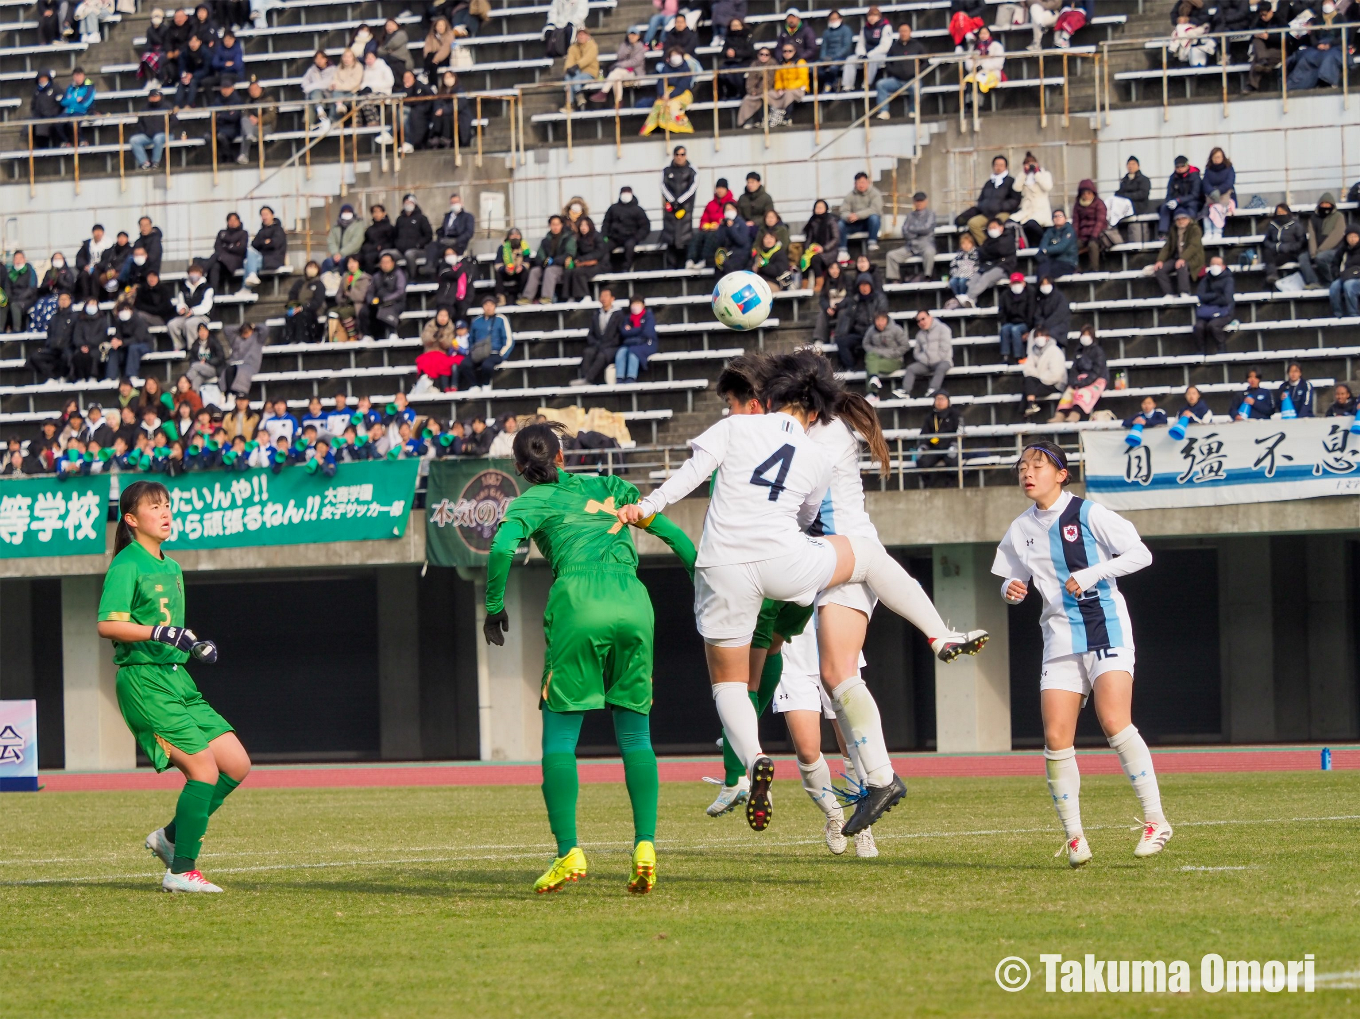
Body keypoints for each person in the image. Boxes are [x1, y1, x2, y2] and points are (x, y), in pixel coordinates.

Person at [616, 349, 987, 836]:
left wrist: (647, 507)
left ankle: (758, 765)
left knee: (736, 685)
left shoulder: (758, 430)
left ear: (769, 397)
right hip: (802, 559)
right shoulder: (813, 446)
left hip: (735, 565)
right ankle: (931, 652)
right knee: (839, 664)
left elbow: (694, 476)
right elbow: (803, 509)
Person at [482, 421, 695, 895]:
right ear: (562, 456)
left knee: (559, 740)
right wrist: (703, 580)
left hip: (579, 603)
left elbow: (499, 549)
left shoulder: (529, 501)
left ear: (519, 468)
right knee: (636, 734)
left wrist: (494, 607)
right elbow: (673, 536)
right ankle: (645, 848)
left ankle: (569, 852)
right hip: (634, 602)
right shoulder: (610, 485)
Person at [993, 441, 1169, 869]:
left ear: (1061, 474)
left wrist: (1091, 572)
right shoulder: (1020, 528)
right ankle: (1074, 836)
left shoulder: (1089, 513)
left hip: (1104, 625)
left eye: (1037, 466)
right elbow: (1011, 579)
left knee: (1113, 720)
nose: (1027, 473)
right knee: (1056, 738)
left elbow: (1140, 554)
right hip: (1057, 636)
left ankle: (1156, 820)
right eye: (1022, 467)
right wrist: (1010, 591)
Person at [97, 480, 248, 893]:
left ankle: (168, 838)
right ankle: (181, 870)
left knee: (236, 764)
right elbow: (107, 625)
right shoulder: (127, 563)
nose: (165, 512)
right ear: (131, 520)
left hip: (177, 678)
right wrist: (159, 634)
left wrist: (193, 646)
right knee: (203, 770)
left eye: (167, 505)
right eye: (154, 507)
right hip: (144, 682)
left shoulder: (172, 566)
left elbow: (169, 630)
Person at [956, 155, 1020, 246]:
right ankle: (987, 245)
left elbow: (1015, 200)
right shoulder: (989, 183)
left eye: (1001, 165)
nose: (998, 167)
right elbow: (981, 199)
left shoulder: (1011, 181)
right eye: (996, 165)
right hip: (987, 214)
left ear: (1005, 167)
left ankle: (1001, 245)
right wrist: (984, 207)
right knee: (973, 223)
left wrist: (1001, 206)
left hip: (1003, 213)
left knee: (997, 224)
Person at [459, 296, 513, 390]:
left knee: (487, 365)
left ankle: (486, 384)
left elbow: (508, 339)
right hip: (479, 352)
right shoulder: (476, 321)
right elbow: (471, 338)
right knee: (465, 364)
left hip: (495, 352)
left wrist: (502, 354)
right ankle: (474, 385)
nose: (488, 307)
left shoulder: (501, 319)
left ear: (495, 306)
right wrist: (472, 351)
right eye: (486, 305)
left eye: (491, 305)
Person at [874, 23, 924, 119]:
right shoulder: (894, 47)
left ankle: (913, 111)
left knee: (916, 87)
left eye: (905, 31)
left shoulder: (917, 46)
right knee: (881, 84)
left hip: (912, 80)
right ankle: (884, 111)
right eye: (901, 31)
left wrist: (917, 72)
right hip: (896, 80)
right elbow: (888, 62)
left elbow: (925, 62)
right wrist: (894, 71)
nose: (903, 33)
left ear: (910, 32)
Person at [834, 272, 885, 369]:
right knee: (841, 341)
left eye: (866, 285)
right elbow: (848, 317)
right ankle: (851, 366)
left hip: (875, 332)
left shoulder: (879, 298)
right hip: (859, 333)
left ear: (871, 286)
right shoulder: (854, 300)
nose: (864, 288)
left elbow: (882, 315)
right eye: (862, 285)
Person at [573, 287, 623, 386]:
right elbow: (590, 334)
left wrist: (608, 344)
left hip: (612, 346)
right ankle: (584, 378)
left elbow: (620, 335)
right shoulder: (596, 314)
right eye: (601, 296)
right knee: (588, 352)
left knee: (602, 355)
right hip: (598, 344)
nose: (603, 298)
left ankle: (589, 378)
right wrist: (595, 343)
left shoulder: (619, 315)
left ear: (612, 299)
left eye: (606, 296)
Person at [641, 47, 694, 137]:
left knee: (673, 104)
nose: (675, 57)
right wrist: (662, 94)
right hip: (666, 93)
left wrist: (671, 95)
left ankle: (682, 128)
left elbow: (683, 85)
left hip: (683, 94)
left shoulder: (686, 69)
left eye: (677, 55)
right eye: (673, 55)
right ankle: (651, 128)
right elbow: (661, 82)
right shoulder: (665, 68)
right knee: (659, 104)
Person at [1261, 203, 1317, 288]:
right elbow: (1266, 241)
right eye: (1278, 212)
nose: (1281, 214)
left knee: (1277, 258)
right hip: (1276, 251)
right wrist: (1275, 246)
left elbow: (1302, 242)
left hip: (1291, 253)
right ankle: (1272, 275)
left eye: (1283, 212)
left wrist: (1287, 247)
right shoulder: (1272, 225)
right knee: (1267, 253)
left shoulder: (1296, 225)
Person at [521, 215, 574, 304]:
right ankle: (527, 297)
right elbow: (540, 255)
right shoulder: (545, 240)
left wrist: (555, 261)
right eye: (553, 224)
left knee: (550, 270)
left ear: (561, 225)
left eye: (557, 224)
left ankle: (546, 297)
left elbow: (569, 253)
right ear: (550, 226)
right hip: (547, 267)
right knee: (535, 271)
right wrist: (544, 261)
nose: (555, 227)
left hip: (562, 268)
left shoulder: (568, 238)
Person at [660, 146, 697, 270]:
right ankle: (670, 267)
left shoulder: (692, 171)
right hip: (671, 210)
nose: (679, 157)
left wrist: (680, 201)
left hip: (685, 210)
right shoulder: (666, 170)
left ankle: (685, 264)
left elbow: (692, 188)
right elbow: (663, 186)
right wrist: (672, 201)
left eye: (682, 154)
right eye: (677, 154)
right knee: (670, 238)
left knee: (685, 238)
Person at [885, 192, 936, 282]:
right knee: (891, 255)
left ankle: (927, 276)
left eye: (921, 201)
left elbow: (927, 229)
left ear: (926, 201)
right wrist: (916, 232)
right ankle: (894, 279)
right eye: (917, 201)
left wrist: (912, 229)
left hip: (926, 244)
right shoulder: (910, 216)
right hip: (910, 246)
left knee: (929, 252)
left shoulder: (930, 214)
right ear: (914, 202)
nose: (919, 203)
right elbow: (905, 231)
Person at [1152, 208, 1204, 297]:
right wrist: (1160, 260)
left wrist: (1183, 258)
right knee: (1160, 270)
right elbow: (1167, 247)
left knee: (1181, 266)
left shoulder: (1195, 229)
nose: (1181, 221)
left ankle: (1185, 292)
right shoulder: (1174, 230)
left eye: (1183, 218)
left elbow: (1193, 246)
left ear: (1188, 219)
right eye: (1178, 219)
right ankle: (1169, 293)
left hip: (1192, 258)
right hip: (1176, 257)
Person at [900, 308, 952, 396]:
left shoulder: (943, 329)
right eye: (918, 321)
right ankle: (905, 391)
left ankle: (933, 389)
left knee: (941, 367)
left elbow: (945, 348)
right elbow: (916, 352)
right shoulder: (919, 335)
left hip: (943, 361)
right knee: (911, 368)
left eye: (923, 319)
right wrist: (925, 360)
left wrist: (934, 359)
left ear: (930, 317)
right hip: (926, 363)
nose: (921, 322)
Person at [841, 5, 892, 93]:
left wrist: (869, 55)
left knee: (873, 59)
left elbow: (885, 46)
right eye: (870, 15)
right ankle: (847, 86)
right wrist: (861, 54)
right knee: (850, 59)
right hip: (866, 54)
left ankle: (867, 84)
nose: (871, 18)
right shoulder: (865, 28)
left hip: (881, 55)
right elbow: (861, 43)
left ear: (879, 16)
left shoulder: (886, 27)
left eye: (874, 15)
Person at [916, 389, 961, 486]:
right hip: (934, 447)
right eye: (937, 399)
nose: (940, 402)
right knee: (922, 462)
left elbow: (960, 431)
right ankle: (928, 485)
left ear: (948, 401)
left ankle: (951, 484)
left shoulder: (955, 415)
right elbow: (924, 434)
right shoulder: (930, 417)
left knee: (953, 461)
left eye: (942, 399)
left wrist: (954, 445)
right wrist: (923, 446)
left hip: (950, 446)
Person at [601, 187, 650, 272]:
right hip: (614, 238)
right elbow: (606, 223)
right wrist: (604, 236)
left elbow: (645, 226)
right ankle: (605, 267)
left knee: (629, 247)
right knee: (604, 248)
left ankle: (626, 268)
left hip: (631, 237)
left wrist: (637, 237)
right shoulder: (613, 208)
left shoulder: (638, 210)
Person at [1193, 255, 1234, 355]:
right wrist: (1216, 295)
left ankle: (1222, 348)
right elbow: (1201, 296)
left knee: (1213, 325)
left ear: (1223, 266)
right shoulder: (1206, 279)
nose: (1215, 266)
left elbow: (1226, 299)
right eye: (1213, 264)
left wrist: (1209, 300)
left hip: (1224, 312)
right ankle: (1201, 350)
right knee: (1198, 327)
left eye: (1218, 264)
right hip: (1207, 313)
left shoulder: (1229, 280)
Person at [1011, 152, 1054, 249]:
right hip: (1026, 210)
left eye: (1032, 163)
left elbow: (1047, 187)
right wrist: (1024, 174)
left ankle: (1045, 242)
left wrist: (1037, 173)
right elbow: (1016, 188)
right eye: (1027, 163)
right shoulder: (1022, 176)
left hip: (1040, 210)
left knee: (1031, 224)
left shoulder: (1045, 174)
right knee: (1011, 222)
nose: (1030, 165)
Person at [594, 26, 646, 105]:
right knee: (616, 77)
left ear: (638, 36)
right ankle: (618, 101)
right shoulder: (624, 45)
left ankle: (603, 92)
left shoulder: (641, 47)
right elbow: (619, 57)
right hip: (623, 72)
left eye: (634, 35)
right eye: (630, 35)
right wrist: (628, 49)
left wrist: (619, 65)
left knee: (616, 71)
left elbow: (635, 62)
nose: (632, 37)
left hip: (634, 72)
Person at [1021, 327, 1065, 418]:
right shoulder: (1033, 351)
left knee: (1028, 390)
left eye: (1041, 336)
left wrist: (1040, 377)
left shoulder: (1055, 351)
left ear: (1047, 337)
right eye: (1036, 336)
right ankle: (1030, 406)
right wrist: (1037, 376)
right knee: (1028, 380)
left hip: (1055, 383)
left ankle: (1025, 412)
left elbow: (1056, 374)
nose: (1039, 338)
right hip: (1040, 380)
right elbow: (1028, 368)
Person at [837, 172, 883, 260]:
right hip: (855, 224)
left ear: (868, 182)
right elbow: (843, 211)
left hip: (869, 224)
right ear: (855, 184)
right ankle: (842, 250)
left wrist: (858, 215)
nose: (861, 185)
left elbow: (875, 209)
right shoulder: (850, 196)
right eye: (858, 182)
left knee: (874, 218)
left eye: (863, 182)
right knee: (840, 224)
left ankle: (872, 242)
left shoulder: (875, 193)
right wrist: (849, 216)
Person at [862, 310, 908, 397]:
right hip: (878, 359)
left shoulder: (896, 329)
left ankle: (873, 393)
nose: (880, 323)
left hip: (894, 360)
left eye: (882, 320)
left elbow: (905, 345)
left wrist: (891, 354)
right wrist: (876, 351)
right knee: (870, 357)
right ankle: (874, 378)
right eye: (877, 320)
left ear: (887, 320)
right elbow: (865, 344)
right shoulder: (871, 330)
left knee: (870, 365)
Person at [168, 263, 213, 350]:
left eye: (196, 272)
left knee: (190, 324)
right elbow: (180, 302)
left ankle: (193, 348)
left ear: (200, 274)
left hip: (202, 316)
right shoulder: (184, 288)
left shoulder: (207, 288)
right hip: (186, 315)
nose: (194, 275)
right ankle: (178, 345)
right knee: (172, 325)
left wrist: (193, 311)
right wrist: (182, 309)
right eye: (192, 272)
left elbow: (206, 306)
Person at [426, 193, 475, 271]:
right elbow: (442, 230)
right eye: (452, 203)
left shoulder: (468, 217)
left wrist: (456, 240)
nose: (454, 205)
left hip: (458, 243)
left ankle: (452, 272)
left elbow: (469, 233)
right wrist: (441, 238)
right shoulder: (448, 216)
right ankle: (430, 266)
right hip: (445, 241)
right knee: (431, 246)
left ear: (461, 203)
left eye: (456, 202)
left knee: (449, 251)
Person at [364, 251, 407, 340]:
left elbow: (400, 291)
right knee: (365, 311)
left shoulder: (399, 274)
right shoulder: (376, 276)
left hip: (396, 302)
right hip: (379, 301)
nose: (385, 265)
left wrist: (386, 299)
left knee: (388, 308)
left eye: (387, 262)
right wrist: (371, 300)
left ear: (392, 263)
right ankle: (368, 335)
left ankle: (393, 332)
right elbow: (370, 292)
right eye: (383, 262)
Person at [614, 297, 657, 383]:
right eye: (633, 304)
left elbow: (647, 333)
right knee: (621, 352)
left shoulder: (648, 317)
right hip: (631, 343)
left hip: (647, 344)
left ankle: (631, 377)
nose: (635, 306)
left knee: (633, 352)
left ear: (643, 305)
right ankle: (619, 378)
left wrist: (632, 331)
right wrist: (639, 329)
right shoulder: (628, 318)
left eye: (638, 303)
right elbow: (624, 333)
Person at [204, 212, 249, 295]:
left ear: (239, 221)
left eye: (234, 220)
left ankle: (202, 272)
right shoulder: (222, 232)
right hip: (221, 262)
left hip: (234, 263)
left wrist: (226, 246)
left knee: (216, 256)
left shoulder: (243, 233)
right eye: (230, 220)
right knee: (215, 266)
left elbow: (241, 249)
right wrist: (233, 246)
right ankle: (213, 293)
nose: (232, 222)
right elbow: (217, 247)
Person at [105, 303, 152, 380]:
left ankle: (132, 375)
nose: (124, 312)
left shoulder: (140, 321)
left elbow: (138, 338)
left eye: (126, 309)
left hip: (144, 344)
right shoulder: (119, 322)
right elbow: (118, 335)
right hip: (126, 346)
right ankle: (110, 376)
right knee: (114, 350)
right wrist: (115, 341)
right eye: (121, 310)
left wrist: (122, 343)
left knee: (133, 348)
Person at [1158, 155, 1203, 235]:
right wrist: (1170, 201)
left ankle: (1191, 232)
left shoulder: (1195, 176)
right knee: (1164, 207)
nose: (1180, 168)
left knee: (1191, 209)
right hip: (1177, 203)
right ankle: (1163, 233)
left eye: (1182, 166)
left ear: (1187, 165)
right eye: (1177, 166)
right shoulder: (1173, 177)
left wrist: (1179, 200)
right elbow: (1169, 194)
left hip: (1192, 202)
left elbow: (1195, 194)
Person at [244, 205, 287, 288]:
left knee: (248, 263)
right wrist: (265, 242)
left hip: (273, 259)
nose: (264, 217)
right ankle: (250, 280)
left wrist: (263, 243)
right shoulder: (261, 231)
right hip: (262, 258)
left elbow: (274, 244)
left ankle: (246, 288)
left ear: (272, 215)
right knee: (247, 258)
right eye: (262, 215)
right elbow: (254, 244)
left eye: (266, 214)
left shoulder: (279, 230)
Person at [565, 217, 607, 301]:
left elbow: (599, 252)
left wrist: (583, 259)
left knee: (579, 272)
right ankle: (570, 297)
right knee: (569, 272)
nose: (583, 228)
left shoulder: (597, 236)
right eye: (581, 226)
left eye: (585, 225)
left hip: (600, 264)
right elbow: (577, 253)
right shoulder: (579, 238)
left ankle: (586, 296)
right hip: (584, 263)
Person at [1310, 192, 1347, 285]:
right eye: (1323, 204)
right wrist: (1313, 253)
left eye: (1327, 204)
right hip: (1317, 251)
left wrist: (1320, 250)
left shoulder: (1339, 216)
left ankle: (1330, 282)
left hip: (1335, 250)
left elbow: (1336, 235)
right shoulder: (1313, 218)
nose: (1325, 206)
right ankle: (1313, 282)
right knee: (1302, 258)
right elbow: (1312, 236)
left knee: (1321, 258)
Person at [129, 89, 172, 170]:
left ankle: (155, 162)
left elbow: (174, 121)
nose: (154, 98)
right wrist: (145, 132)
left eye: (156, 96)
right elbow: (139, 123)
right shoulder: (144, 108)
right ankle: (144, 163)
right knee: (134, 140)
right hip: (148, 135)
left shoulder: (167, 106)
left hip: (166, 134)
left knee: (158, 138)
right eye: (152, 97)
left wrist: (166, 130)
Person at [1114, 155, 1153, 243]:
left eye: (1133, 164)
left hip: (1139, 209)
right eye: (1129, 164)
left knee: (1137, 230)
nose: (1130, 166)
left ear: (1138, 166)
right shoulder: (1124, 181)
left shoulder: (1144, 180)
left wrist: (1126, 196)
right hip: (1125, 210)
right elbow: (1118, 193)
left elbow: (1143, 194)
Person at [736, 46, 777, 129]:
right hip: (755, 91)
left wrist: (758, 91)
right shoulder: (754, 64)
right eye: (761, 54)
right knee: (747, 99)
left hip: (770, 89)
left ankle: (762, 120)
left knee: (764, 97)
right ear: (758, 55)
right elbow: (750, 80)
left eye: (766, 55)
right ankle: (747, 120)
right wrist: (752, 91)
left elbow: (769, 81)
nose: (764, 56)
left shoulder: (772, 64)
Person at [997, 271, 1033, 364]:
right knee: (1004, 329)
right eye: (1014, 283)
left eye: (1019, 283)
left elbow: (1031, 312)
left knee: (1015, 330)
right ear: (1010, 284)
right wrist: (1004, 322)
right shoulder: (1005, 295)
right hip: (1010, 321)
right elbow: (1002, 312)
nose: (1016, 285)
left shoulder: (1030, 293)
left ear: (1023, 283)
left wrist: (1029, 329)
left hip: (1025, 323)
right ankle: (1005, 356)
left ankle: (1019, 356)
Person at [1071, 183, 1108, 271]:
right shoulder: (1077, 205)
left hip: (1097, 235)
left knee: (1092, 246)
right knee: (1071, 247)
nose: (1086, 195)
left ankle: (1094, 269)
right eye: (1084, 193)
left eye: (1088, 193)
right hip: (1082, 236)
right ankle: (1076, 269)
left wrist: (1094, 236)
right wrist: (1074, 237)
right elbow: (1075, 223)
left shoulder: (1099, 203)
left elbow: (1100, 221)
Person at [1032, 276, 1071, 356]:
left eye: (1047, 284)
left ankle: (1050, 355)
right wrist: (1040, 324)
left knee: (1050, 334)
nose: (1045, 286)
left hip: (1059, 326)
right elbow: (1037, 314)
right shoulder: (1040, 298)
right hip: (1044, 327)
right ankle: (1032, 356)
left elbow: (1060, 314)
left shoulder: (1060, 297)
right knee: (1033, 334)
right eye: (1042, 284)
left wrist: (1045, 326)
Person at [222, 321, 263, 396]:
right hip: (234, 363)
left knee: (241, 372)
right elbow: (226, 329)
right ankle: (228, 394)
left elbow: (265, 329)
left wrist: (253, 325)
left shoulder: (258, 339)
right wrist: (240, 327)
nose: (245, 334)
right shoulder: (236, 339)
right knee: (227, 370)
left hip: (250, 364)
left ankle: (239, 393)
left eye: (247, 331)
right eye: (244, 332)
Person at [562, 26, 600, 108]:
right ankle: (570, 103)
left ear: (587, 36)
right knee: (568, 77)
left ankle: (579, 94)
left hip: (589, 73)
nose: (581, 36)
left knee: (576, 78)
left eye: (583, 34)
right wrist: (568, 68)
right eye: (579, 34)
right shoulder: (573, 48)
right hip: (577, 72)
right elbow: (569, 60)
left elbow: (588, 59)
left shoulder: (592, 46)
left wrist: (577, 66)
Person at [493, 229, 533, 304]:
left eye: (517, 235)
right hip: (506, 272)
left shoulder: (525, 247)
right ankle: (500, 298)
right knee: (498, 274)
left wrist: (522, 267)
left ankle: (523, 296)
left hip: (519, 271)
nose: (515, 237)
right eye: (512, 235)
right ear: (508, 237)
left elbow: (527, 261)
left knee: (526, 273)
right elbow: (498, 263)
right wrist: (504, 269)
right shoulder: (502, 248)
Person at [814, 260, 849, 342]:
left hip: (843, 308)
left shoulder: (847, 280)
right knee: (822, 314)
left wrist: (838, 306)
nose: (834, 271)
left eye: (837, 268)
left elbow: (850, 297)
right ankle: (819, 339)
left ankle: (838, 336)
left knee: (843, 313)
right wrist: (827, 308)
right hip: (830, 309)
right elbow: (822, 298)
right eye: (832, 268)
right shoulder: (826, 282)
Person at [322, 204, 364, 272]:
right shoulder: (336, 225)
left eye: (348, 212)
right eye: (344, 212)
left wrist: (341, 253)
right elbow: (331, 240)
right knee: (327, 262)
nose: (346, 214)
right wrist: (335, 253)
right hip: (336, 255)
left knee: (343, 262)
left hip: (352, 255)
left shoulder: (358, 225)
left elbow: (355, 242)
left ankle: (343, 281)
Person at [184, 322, 225, 390]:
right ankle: (194, 397)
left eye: (204, 331)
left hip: (213, 369)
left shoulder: (214, 342)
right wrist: (199, 363)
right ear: (198, 333)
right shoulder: (195, 344)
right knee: (196, 381)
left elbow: (220, 357)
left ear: (208, 332)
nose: (203, 333)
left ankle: (184, 382)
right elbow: (191, 359)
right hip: (200, 371)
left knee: (195, 366)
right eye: (200, 331)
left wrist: (207, 361)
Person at [4, 252, 38, 333]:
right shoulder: (10, 273)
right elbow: (7, 289)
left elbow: (32, 288)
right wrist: (10, 298)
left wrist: (19, 298)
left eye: (20, 258)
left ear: (24, 260)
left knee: (15, 305)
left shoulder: (30, 272)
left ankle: (17, 330)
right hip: (13, 298)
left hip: (27, 299)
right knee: (3, 306)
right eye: (16, 259)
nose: (18, 261)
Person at [1329, 228, 1360, 318]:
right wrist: (1336, 273)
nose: (1352, 239)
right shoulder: (1343, 250)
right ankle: (1337, 314)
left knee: (1349, 285)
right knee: (1334, 287)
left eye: (1355, 236)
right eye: (1350, 237)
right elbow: (1334, 264)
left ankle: (1353, 314)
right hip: (1345, 276)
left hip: (1356, 278)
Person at [358, 203, 396, 274]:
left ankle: (370, 278)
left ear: (384, 213)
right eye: (374, 212)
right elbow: (366, 242)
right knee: (356, 258)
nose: (376, 214)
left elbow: (392, 241)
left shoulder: (389, 227)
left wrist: (381, 247)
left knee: (369, 258)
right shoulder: (370, 229)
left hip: (383, 251)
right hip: (371, 250)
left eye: (379, 212)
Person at [945, 231, 979, 304]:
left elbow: (977, 267)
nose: (966, 246)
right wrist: (955, 273)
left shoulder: (976, 254)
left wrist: (972, 273)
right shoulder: (959, 255)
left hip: (970, 275)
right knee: (952, 282)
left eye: (968, 243)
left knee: (962, 281)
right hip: (958, 274)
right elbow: (953, 265)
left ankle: (965, 298)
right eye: (963, 244)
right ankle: (959, 298)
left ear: (972, 244)